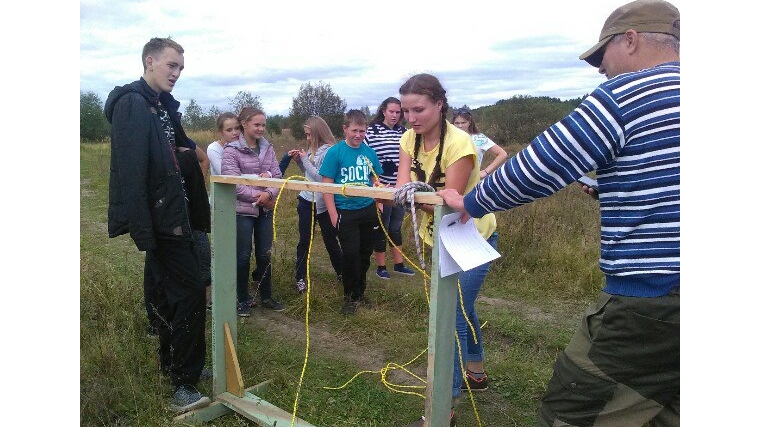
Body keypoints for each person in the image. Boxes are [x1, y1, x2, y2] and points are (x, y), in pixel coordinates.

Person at [438, 1, 680, 425]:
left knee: (573, 411)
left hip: (656, 300)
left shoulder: (628, 94)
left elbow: (540, 165)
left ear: (631, 39)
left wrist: (470, 201)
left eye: (602, 56)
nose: (600, 69)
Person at [104, 37, 211, 412]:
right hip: (162, 221)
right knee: (191, 293)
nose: (176, 73)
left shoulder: (161, 107)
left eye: (180, 68)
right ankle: (184, 384)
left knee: (167, 295)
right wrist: (144, 230)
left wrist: (183, 155)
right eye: (171, 65)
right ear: (150, 61)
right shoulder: (133, 104)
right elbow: (130, 170)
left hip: (177, 215)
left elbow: (176, 155)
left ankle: (173, 365)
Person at [396, 73, 499, 427]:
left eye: (419, 109)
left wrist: (416, 195)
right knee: (462, 309)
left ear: (439, 105)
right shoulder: (409, 138)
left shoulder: (461, 145)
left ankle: (444, 407)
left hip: (471, 237)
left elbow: (452, 206)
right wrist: (414, 193)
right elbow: (403, 185)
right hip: (437, 238)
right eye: (406, 110)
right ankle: (477, 373)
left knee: (451, 316)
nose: (411, 118)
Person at [221, 106, 285, 316]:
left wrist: (269, 194)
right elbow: (233, 183)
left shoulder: (268, 148)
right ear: (244, 124)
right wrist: (259, 197)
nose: (261, 129)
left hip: (265, 211)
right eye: (257, 124)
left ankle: (266, 295)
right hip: (243, 212)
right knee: (242, 255)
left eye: (263, 125)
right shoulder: (231, 151)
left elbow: (277, 175)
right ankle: (242, 299)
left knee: (265, 254)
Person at [319, 110, 384, 315]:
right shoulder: (335, 153)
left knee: (365, 253)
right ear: (345, 129)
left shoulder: (369, 153)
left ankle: (359, 292)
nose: (358, 135)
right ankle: (349, 295)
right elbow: (327, 185)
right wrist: (332, 214)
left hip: (367, 209)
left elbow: (375, 180)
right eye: (354, 130)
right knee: (350, 254)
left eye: (362, 131)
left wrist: (379, 201)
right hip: (345, 211)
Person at [288, 116, 343, 294]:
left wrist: (304, 160)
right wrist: (300, 162)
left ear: (318, 133)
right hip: (306, 201)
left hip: (325, 204)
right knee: (304, 241)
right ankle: (300, 278)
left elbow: (321, 178)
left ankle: (342, 273)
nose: (308, 138)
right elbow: (309, 175)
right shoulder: (313, 150)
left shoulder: (330, 151)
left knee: (331, 241)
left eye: (310, 134)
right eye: (306, 135)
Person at [364, 97, 415, 280]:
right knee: (382, 226)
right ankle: (381, 266)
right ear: (383, 111)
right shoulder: (371, 132)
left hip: (400, 187)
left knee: (396, 225)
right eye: (391, 111)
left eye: (398, 112)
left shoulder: (405, 132)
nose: (394, 115)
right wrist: (374, 184)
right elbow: (365, 157)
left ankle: (399, 264)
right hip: (381, 187)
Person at [451, 107, 509, 180]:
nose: (460, 126)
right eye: (457, 123)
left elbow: (502, 154)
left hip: (472, 182)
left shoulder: (479, 138)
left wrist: (485, 171)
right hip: (450, 180)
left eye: (463, 122)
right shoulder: (448, 138)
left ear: (469, 122)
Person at [207, 112, 241, 176]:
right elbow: (224, 174)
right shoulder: (214, 148)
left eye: (237, 128)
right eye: (229, 130)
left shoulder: (244, 146)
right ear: (221, 132)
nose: (234, 133)